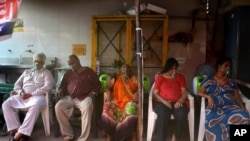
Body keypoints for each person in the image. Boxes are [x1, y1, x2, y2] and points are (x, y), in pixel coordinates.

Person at [2, 52, 54, 141]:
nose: (37, 63)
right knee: (6, 104)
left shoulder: (46, 72)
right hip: (23, 96)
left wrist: (32, 94)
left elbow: (48, 86)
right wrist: (21, 93)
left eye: (40, 62)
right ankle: (20, 132)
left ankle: (17, 136)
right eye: (35, 61)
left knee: (35, 106)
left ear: (43, 63)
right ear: (33, 61)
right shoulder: (27, 71)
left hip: (37, 97)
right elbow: (17, 84)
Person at [198, 56, 250, 141]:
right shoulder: (209, 79)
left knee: (244, 116)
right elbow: (199, 92)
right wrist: (208, 96)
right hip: (215, 107)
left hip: (230, 107)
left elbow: (237, 96)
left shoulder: (232, 81)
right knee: (212, 120)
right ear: (219, 66)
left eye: (229, 66)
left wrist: (242, 107)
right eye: (226, 65)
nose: (228, 68)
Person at [55, 54, 101, 141]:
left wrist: (94, 91)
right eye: (69, 64)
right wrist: (60, 90)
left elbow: (97, 84)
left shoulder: (89, 72)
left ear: (78, 61)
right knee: (58, 107)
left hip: (84, 97)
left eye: (72, 63)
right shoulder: (68, 73)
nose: (71, 65)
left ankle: (83, 138)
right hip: (70, 97)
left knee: (87, 108)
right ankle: (68, 134)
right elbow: (63, 85)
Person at [153, 57, 189, 141]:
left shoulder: (180, 77)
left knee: (182, 114)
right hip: (162, 103)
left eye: (175, 69)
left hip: (177, 102)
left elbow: (184, 92)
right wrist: (164, 102)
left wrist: (180, 100)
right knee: (163, 115)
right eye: (172, 69)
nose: (174, 71)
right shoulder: (160, 77)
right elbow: (155, 93)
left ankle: (175, 138)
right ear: (167, 68)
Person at [100, 64, 138, 141]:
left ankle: (130, 135)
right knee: (106, 109)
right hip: (116, 102)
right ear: (120, 71)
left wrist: (136, 91)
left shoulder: (134, 79)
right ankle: (109, 136)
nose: (124, 72)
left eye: (126, 70)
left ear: (130, 71)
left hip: (129, 102)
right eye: (123, 71)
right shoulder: (116, 78)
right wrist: (109, 93)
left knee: (131, 108)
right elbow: (108, 87)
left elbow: (137, 89)